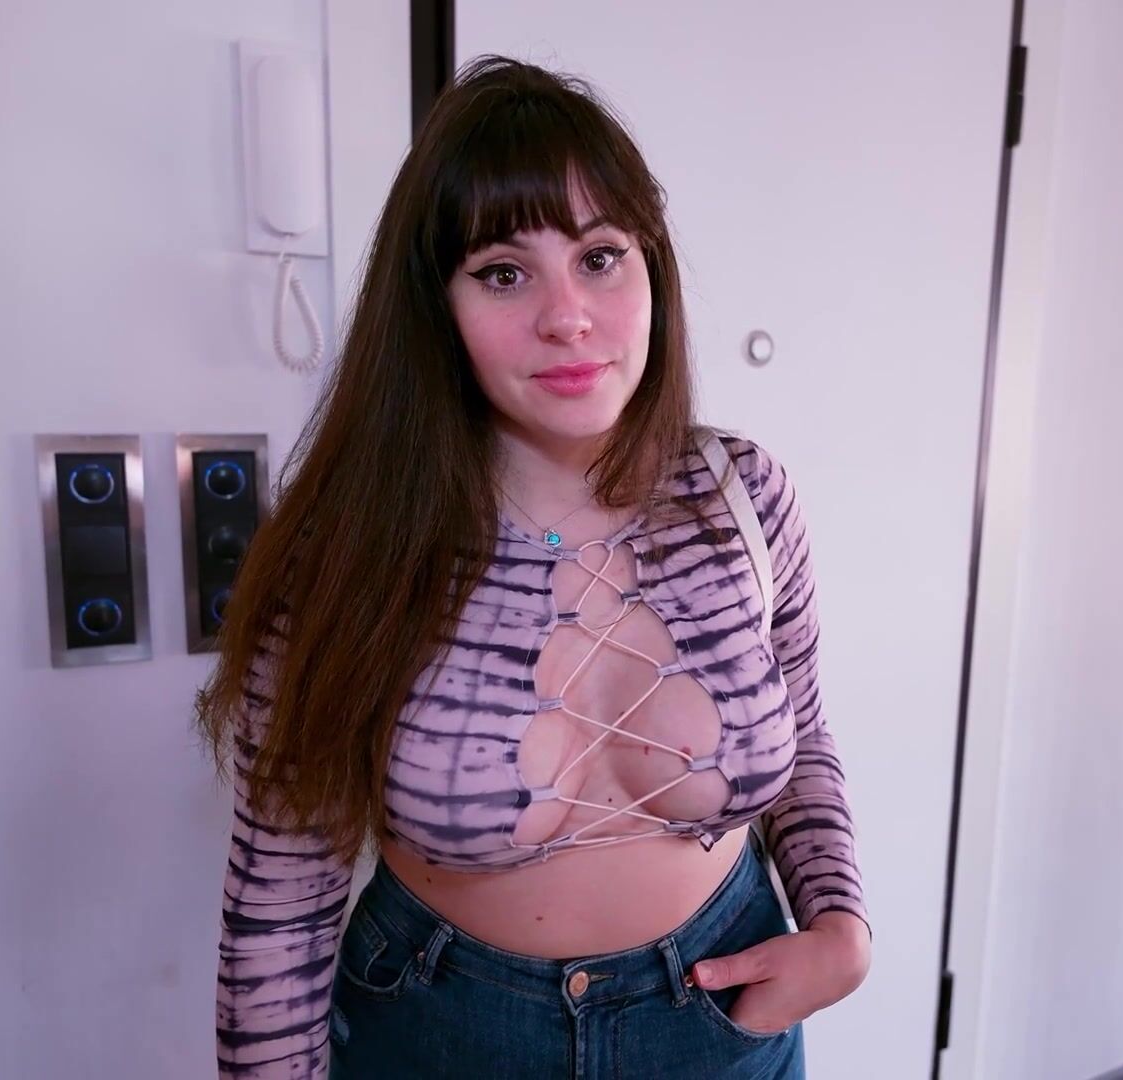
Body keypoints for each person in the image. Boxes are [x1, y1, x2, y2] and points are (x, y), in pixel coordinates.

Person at [196, 55, 871, 1080]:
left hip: (722, 1019)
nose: (568, 316)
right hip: (444, 1032)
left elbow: (805, 733)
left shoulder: (744, 499)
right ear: (435, 304)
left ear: (653, 269)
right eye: (504, 272)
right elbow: (280, 903)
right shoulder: (347, 546)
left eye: (600, 257)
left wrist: (839, 927)